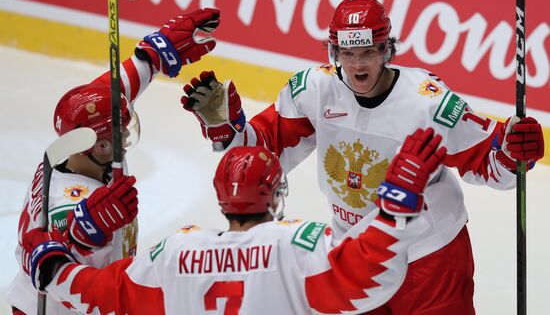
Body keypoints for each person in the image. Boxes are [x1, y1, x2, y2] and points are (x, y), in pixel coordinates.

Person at [179, 0, 545, 314]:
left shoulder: (428, 102)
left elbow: (494, 166)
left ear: (386, 50)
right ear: (333, 53)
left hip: (429, 256)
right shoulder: (312, 90)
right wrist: (226, 127)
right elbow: (264, 157)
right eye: (348, 53)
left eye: (368, 52)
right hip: (354, 254)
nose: (358, 65)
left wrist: (516, 151)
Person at [22, 128, 446, 315]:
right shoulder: (297, 246)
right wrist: (395, 207)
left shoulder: (176, 253)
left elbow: (106, 293)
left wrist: (54, 268)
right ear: (277, 195)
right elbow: (366, 275)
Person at [7, 8, 221, 315]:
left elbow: (104, 97)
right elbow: (45, 257)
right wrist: (84, 234)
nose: (123, 141)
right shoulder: (68, 200)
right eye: (113, 138)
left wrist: (152, 56)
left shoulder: (77, 154)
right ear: (93, 145)